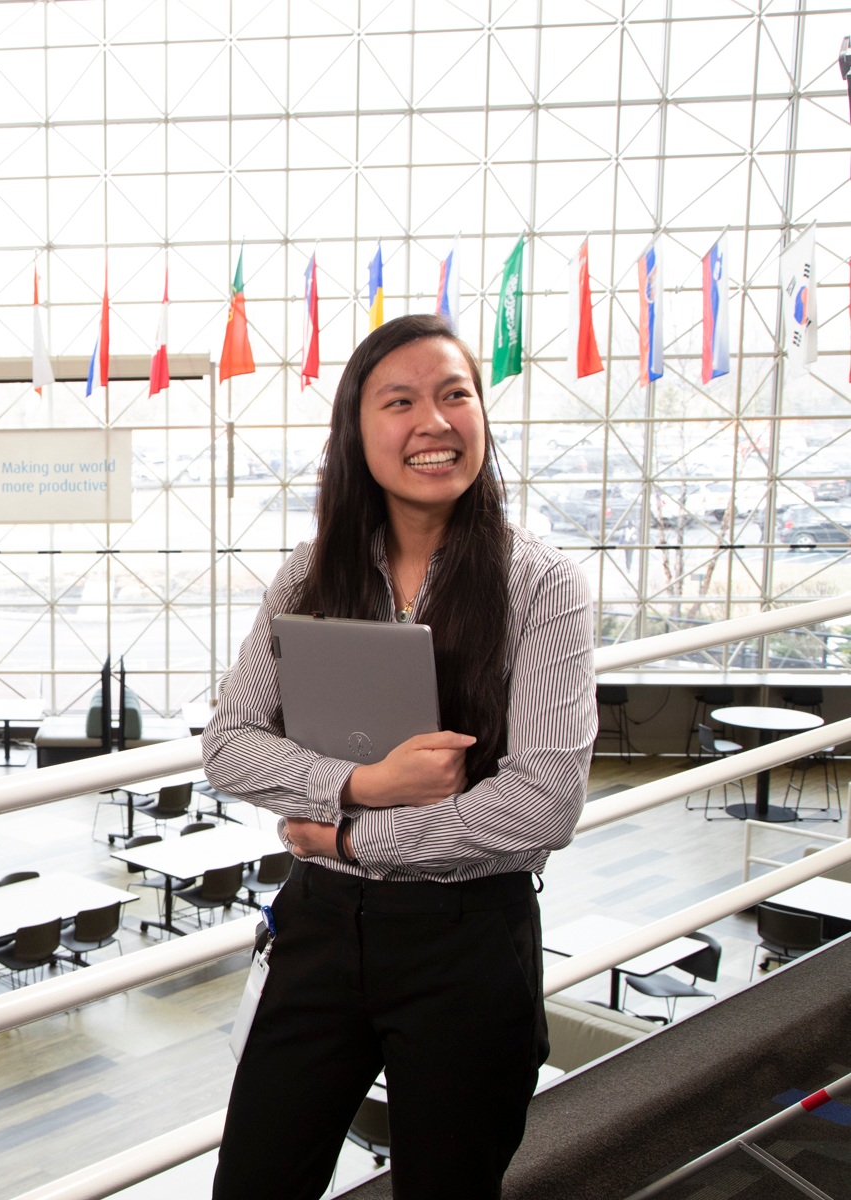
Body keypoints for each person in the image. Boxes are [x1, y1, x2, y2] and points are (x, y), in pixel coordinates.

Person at [204, 313, 595, 1199]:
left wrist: (349, 838)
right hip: (320, 933)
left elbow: (543, 804)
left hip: (467, 940)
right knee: (255, 1182)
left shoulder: (540, 584)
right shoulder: (309, 578)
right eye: (401, 401)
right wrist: (361, 784)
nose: (436, 422)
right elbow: (229, 745)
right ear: (357, 432)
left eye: (456, 395)